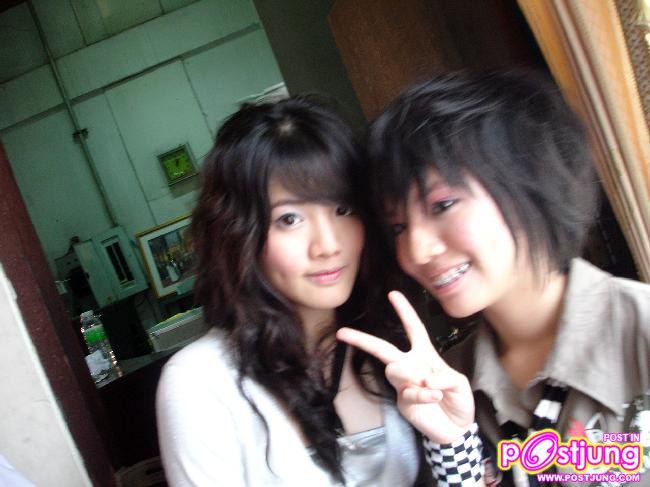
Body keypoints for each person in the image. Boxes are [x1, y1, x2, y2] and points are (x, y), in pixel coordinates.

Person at [336, 70, 650, 486]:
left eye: (443, 205)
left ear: (530, 181)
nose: (416, 250)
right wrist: (453, 447)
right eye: (398, 227)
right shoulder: (444, 384)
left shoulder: (640, 331)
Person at [155, 96, 433, 486]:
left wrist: (455, 442)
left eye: (343, 209)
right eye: (289, 219)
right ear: (238, 233)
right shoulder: (200, 383)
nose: (328, 245)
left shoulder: (389, 344)